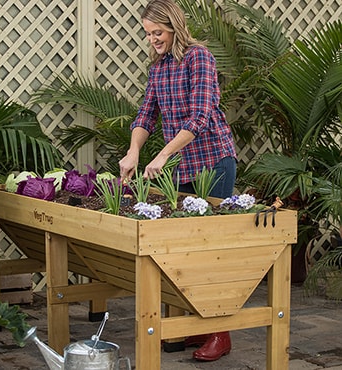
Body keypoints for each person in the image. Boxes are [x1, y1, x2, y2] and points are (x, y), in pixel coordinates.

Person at [119, 0, 236, 362]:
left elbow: (201, 116)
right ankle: (195, 326)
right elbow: (146, 113)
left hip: (213, 162)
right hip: (183, 168)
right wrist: (134, 151)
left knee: (209, 250)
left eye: (158, 33)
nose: (152, 39)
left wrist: (163, 154)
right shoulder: (159, 68)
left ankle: (220, 333)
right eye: (148, 34)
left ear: (174, 27)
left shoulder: (198, 58)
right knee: (182, 250)